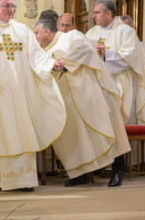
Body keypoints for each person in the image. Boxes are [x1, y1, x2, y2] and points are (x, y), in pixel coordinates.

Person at [0, 0, 66, 191]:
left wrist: (51, 64)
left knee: (22, 132)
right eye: (6, 6)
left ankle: (23, 180)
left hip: (19, 94)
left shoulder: (22, 30)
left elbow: (37, 56)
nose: (11, 10)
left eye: (13, 6)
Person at [34, 14, 131, 187]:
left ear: (47, 31)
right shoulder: (43, 52)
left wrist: (62, 63)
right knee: (77, 136)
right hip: (69, 101)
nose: (35, 37)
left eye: (36, 33)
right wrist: (53, 67)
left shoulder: (71, 36)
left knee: (108, 128)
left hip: (91, 93)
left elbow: (86, 51)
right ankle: (81, 173)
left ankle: (118, 170)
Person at [85, 0, 145, 186]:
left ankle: (118, 169)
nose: (94, 16)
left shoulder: (126, 31)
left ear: (108, 13)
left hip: (118, 84)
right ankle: (95, 168)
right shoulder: (92, 32)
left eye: (97, 12)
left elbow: (130, 57)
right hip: (97, 85)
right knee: (96, 124)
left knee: (116, 126)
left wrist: (107, 53)